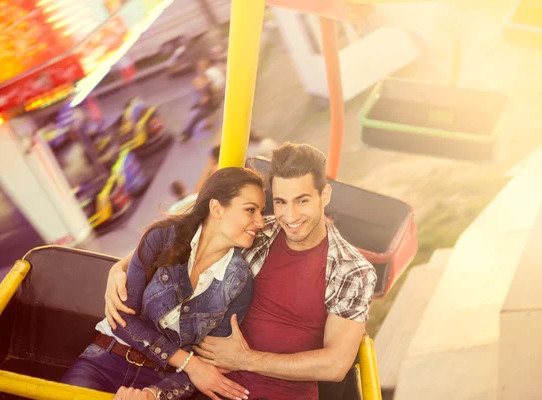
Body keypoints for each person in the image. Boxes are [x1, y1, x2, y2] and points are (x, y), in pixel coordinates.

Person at [105, 143, 378, 400]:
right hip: (210, 385)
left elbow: (335, 365)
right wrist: (118, 269)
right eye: (281, 202)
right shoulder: (258, 231)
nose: (291, 216)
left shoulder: (351, 271)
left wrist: (246, 359)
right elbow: (180, 237)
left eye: (302, 201)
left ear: (325, 195)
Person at [62, 168, 267, 400]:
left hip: (161, 381)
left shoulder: (240, 282)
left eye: (262, 211)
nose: (260, 221)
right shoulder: (162, 237)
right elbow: (122, 320)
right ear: (217, 208)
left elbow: (210, 364)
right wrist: (189, 363)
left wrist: (155, 394)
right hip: (105, 360)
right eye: (251, 210)